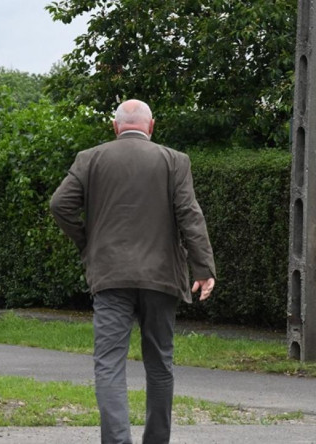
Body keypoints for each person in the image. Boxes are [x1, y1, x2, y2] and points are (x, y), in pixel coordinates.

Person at [49, 99, 216, 444]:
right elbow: (189, 215)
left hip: (110, 276)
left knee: (109, 364)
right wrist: (203, 268)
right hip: (162, 278)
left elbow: (59, 205)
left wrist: (88, 243)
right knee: (160, 364)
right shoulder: (175, 161)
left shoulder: (90, 158)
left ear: (115, 128)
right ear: (151, 126)